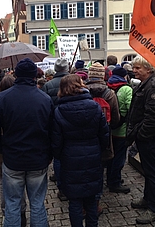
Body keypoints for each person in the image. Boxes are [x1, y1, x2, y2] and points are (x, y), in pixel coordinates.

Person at [0, 58, 53, 226]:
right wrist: (50, 153)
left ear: (16, 75)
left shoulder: (2, 98)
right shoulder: (45, 99)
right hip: (37, 158)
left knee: (13, 204)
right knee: (37, 204)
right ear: (34, 76)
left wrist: (2, 148)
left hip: (13, 158)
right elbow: (53, 131)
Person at [51, 74, 109, 227]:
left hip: (70, 159)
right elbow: (104, 134)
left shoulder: (59, 110)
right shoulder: (95, 106)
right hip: (92, 156)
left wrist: (60, 156)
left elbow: (56, 141)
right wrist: (98, 150)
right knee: (91, 199)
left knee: (75, 201)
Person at [126, 55, 155, 224]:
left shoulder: (154, 85)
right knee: (148, 172)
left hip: (149, 138)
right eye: (134, 68)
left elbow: (154, 116)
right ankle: (147, 200)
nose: (134, 71)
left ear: (149, 69)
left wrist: (141, 134)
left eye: (138, 68)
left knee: (152, 173)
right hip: (145, 136)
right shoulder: (147, 83)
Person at [85, 62, 120, 214]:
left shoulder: (82, 91)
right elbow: (116, 118)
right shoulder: (109, 93)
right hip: (103, 138)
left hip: (85, 137)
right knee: (98, 172)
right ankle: (96, 203)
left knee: (85, 171)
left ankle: (83, 203)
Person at [42, 58, 70, 201]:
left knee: (58, 156)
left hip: (54, 123)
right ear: (66, 69)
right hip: (70, 123)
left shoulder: (48, 85)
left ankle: (62, 187)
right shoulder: (72, 82)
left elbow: (46, 106)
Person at [106, 66, 132, 193]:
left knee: (111, 156)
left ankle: (110, 178)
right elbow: (130, 108)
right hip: (122, 130)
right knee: (119, 158)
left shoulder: (107, 87)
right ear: (125, 76)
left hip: (110, 128)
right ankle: (114, 182)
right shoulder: (126, 89)